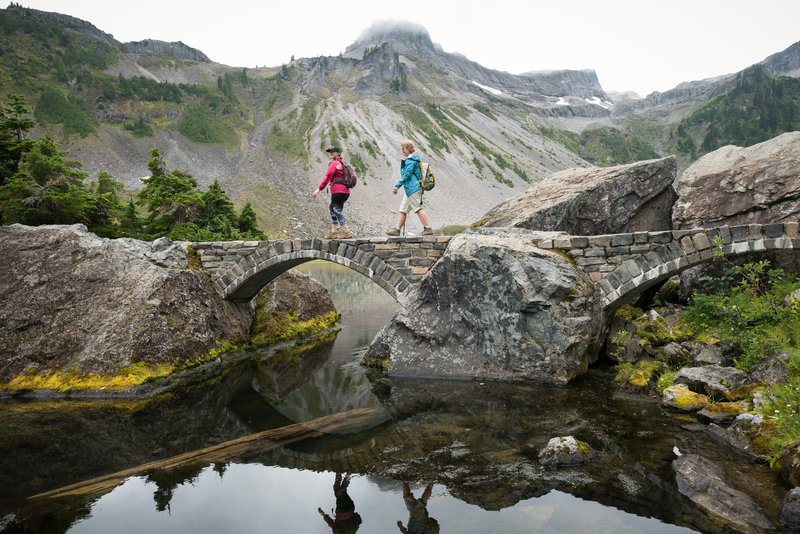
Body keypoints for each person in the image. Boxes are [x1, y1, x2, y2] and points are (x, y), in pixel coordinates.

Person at [386, 140, 432, 236]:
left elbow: (407, 175)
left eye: (403, 149)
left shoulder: (411, 161)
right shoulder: (413, 160)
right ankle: (397, 230)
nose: (402, 151)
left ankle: (428, 229)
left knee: (417, 208)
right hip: (411, 189)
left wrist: (397, 186)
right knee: (403, 209)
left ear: (408, 149)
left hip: (413, 189)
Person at [313, 146, 353, 239]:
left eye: (333, 152)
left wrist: (318, 189)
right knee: (332, 209)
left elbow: (328, 177)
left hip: (338, 190)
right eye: (330, 152)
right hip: (345, 191)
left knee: (336, 210)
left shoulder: (334, 163)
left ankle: (346, 231)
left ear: (338, 153)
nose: (330, 153)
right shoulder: (344, 164)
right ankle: (333, 232)